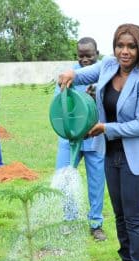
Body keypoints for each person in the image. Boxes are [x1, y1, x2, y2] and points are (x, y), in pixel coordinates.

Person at [57, 24, 139, 261]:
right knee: (119, 215)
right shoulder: (108, 65)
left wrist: (106, 128)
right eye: (120, 45)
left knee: (134, 218)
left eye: (131, 46)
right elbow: (85, 73)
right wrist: (71, 73)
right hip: (113, 155)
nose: (125, 52)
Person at [55, 37, 107, 242]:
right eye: (81, 55)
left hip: (95, 138)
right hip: (70, 139)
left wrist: (95, 99)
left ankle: (96, 224)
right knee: (66, 179)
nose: (85, 59)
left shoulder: (105, 75)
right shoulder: (68, 75)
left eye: (89, 55)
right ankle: (69, 221)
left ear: (97, 53)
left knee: (96, 182)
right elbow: (58, 107)